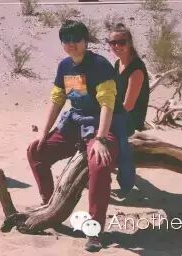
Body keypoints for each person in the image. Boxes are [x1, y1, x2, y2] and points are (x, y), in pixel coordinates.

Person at [27, 20, 119, 253]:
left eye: (76, 39)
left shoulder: (99, 65)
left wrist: (101, 139)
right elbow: (58, 100)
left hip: (99, 126)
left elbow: (107, 104)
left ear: (86, 41)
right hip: (73, 125)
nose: (71, 44)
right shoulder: (65, 66)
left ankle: (94, 230)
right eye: (66, 40)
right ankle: (50, 205)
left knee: (99, 164)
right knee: (36, 152)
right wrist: (45, 132)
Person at [107, 23, 150, 197]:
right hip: (120, 111)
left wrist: (108, 116)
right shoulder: (118, 63)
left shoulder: (136, 69)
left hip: (131, 117)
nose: (117, 46)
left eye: (121, 42)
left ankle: (126, 181)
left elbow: (129, 105)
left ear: (129, 43)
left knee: (120, 140)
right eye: (113, 42)